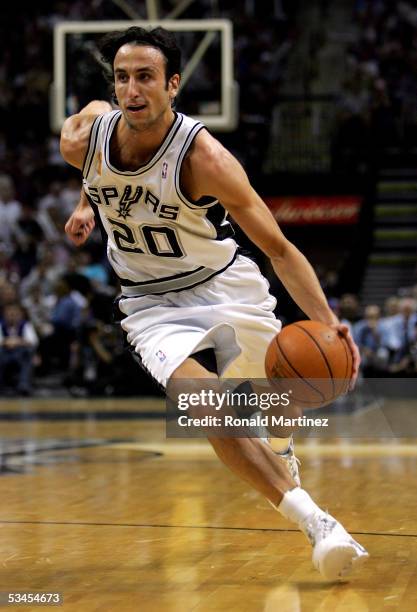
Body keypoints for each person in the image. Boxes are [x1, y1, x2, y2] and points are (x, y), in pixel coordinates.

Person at [60, 26, 368, 581]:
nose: (133, 90)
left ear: (173, 85)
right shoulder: (82, 139)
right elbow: (93, 135)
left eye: (146, 78)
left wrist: (329, 323)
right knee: (204, 403)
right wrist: (87, 204)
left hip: (224, 286)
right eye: (123, 78)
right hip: (150, 302)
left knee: (280, 394)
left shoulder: (205, 158)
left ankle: (281, 439)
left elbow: (276, 246)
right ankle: (318, 523)